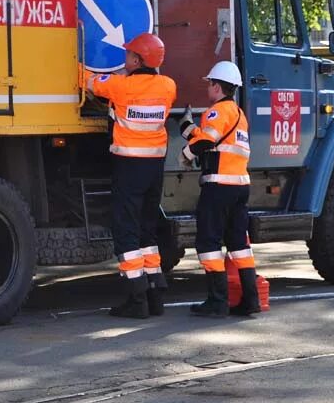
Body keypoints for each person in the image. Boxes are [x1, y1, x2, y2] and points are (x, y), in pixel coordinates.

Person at [82, 33, 176, 318]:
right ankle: (155, 294)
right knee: (147, 231)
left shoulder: (121, 86)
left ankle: (137, 301)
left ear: (137, 59)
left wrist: (77, 65)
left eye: (129, 55)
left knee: (126, 232)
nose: (125, 58)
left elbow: (90, 83)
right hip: (154, 168)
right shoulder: (168, 86)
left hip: (129, 166)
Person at [179, 61, 261, 318]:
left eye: (209, 84)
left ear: (217, 86)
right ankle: (251, 300)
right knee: (239, 245)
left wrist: (186, 152)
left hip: (218, 186)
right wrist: (188, 130)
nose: (208, 89)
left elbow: (206, 140)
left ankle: (217, 301)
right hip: (239, 186)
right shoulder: (238, 114)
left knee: (208, 242)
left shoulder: (216, 112)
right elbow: (213, 139)